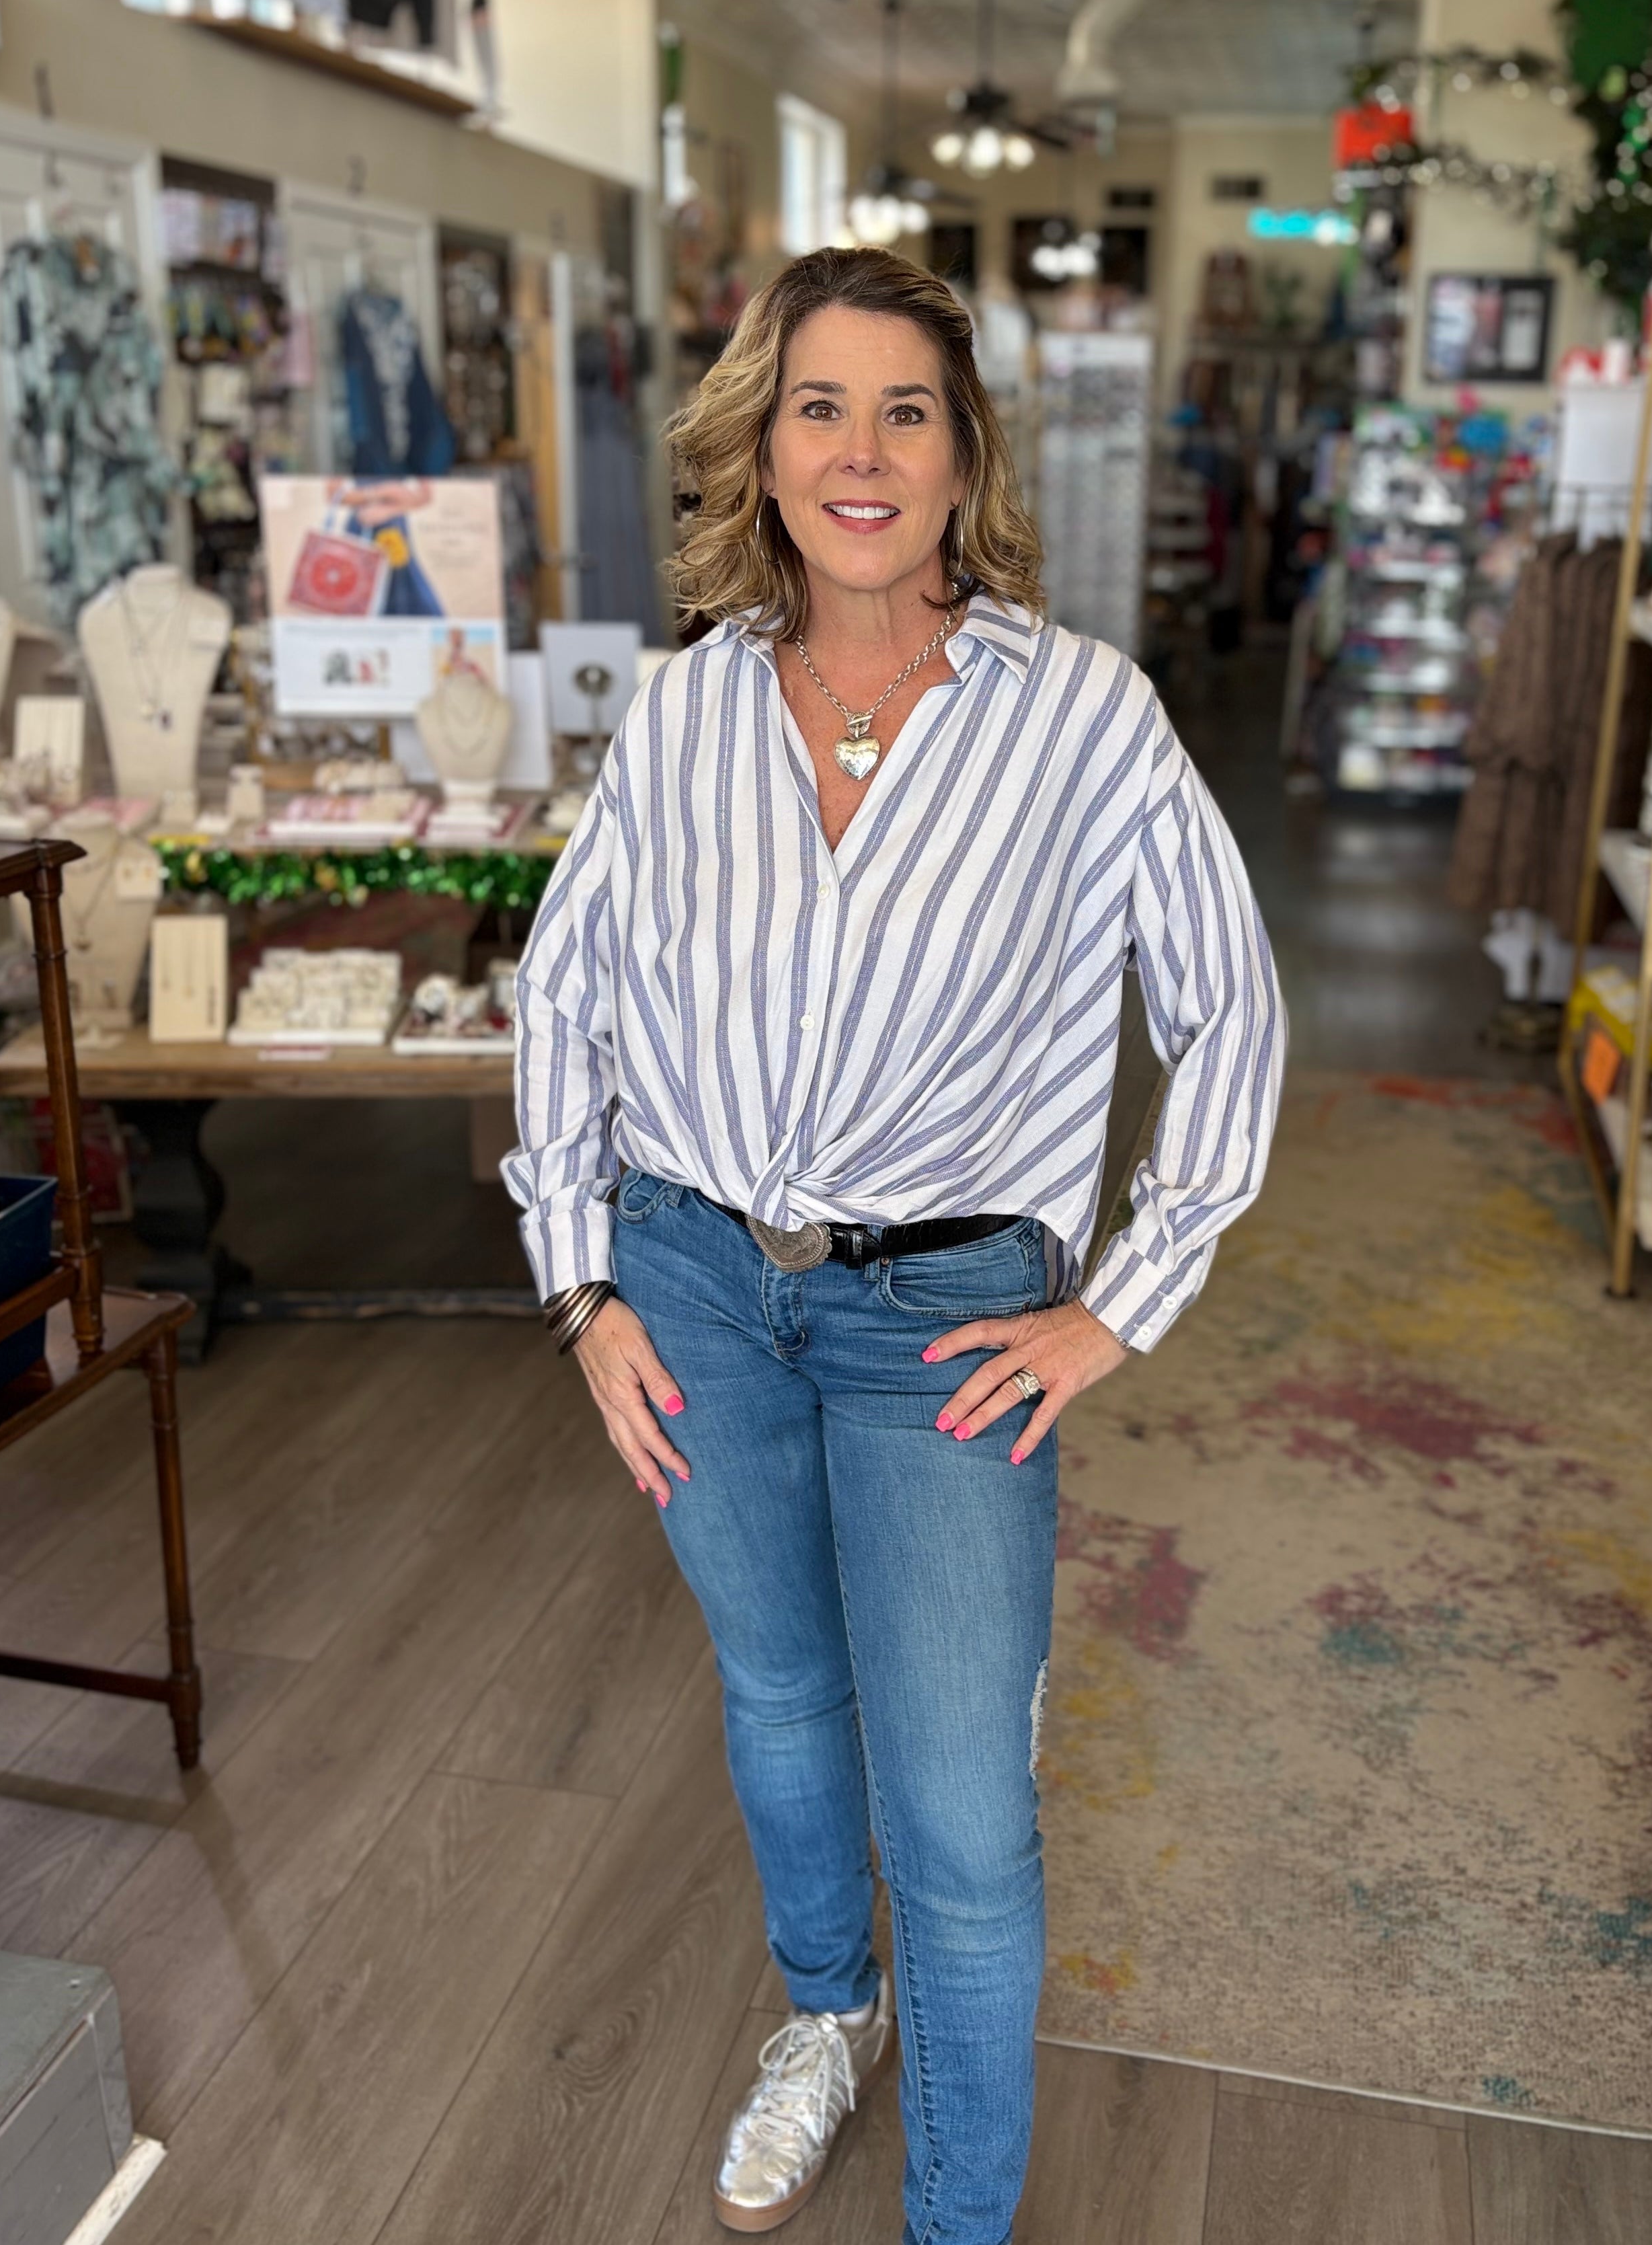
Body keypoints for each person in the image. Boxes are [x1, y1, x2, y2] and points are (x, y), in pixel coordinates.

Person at [504, 246, 1284, 2244]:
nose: (860, 451)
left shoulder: (1080, 717)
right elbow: (564, 992)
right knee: (776, 1697)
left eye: (905, 410)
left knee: (963, 1818)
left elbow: (1232, 1014)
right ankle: (825, 2014)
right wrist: (581, 1278)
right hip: (691, 1283)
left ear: (964, 454)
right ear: (760, 448)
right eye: (819, 407)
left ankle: (957, 2219)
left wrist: (1115, 1306)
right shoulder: (682, 712)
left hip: (952, 1316)